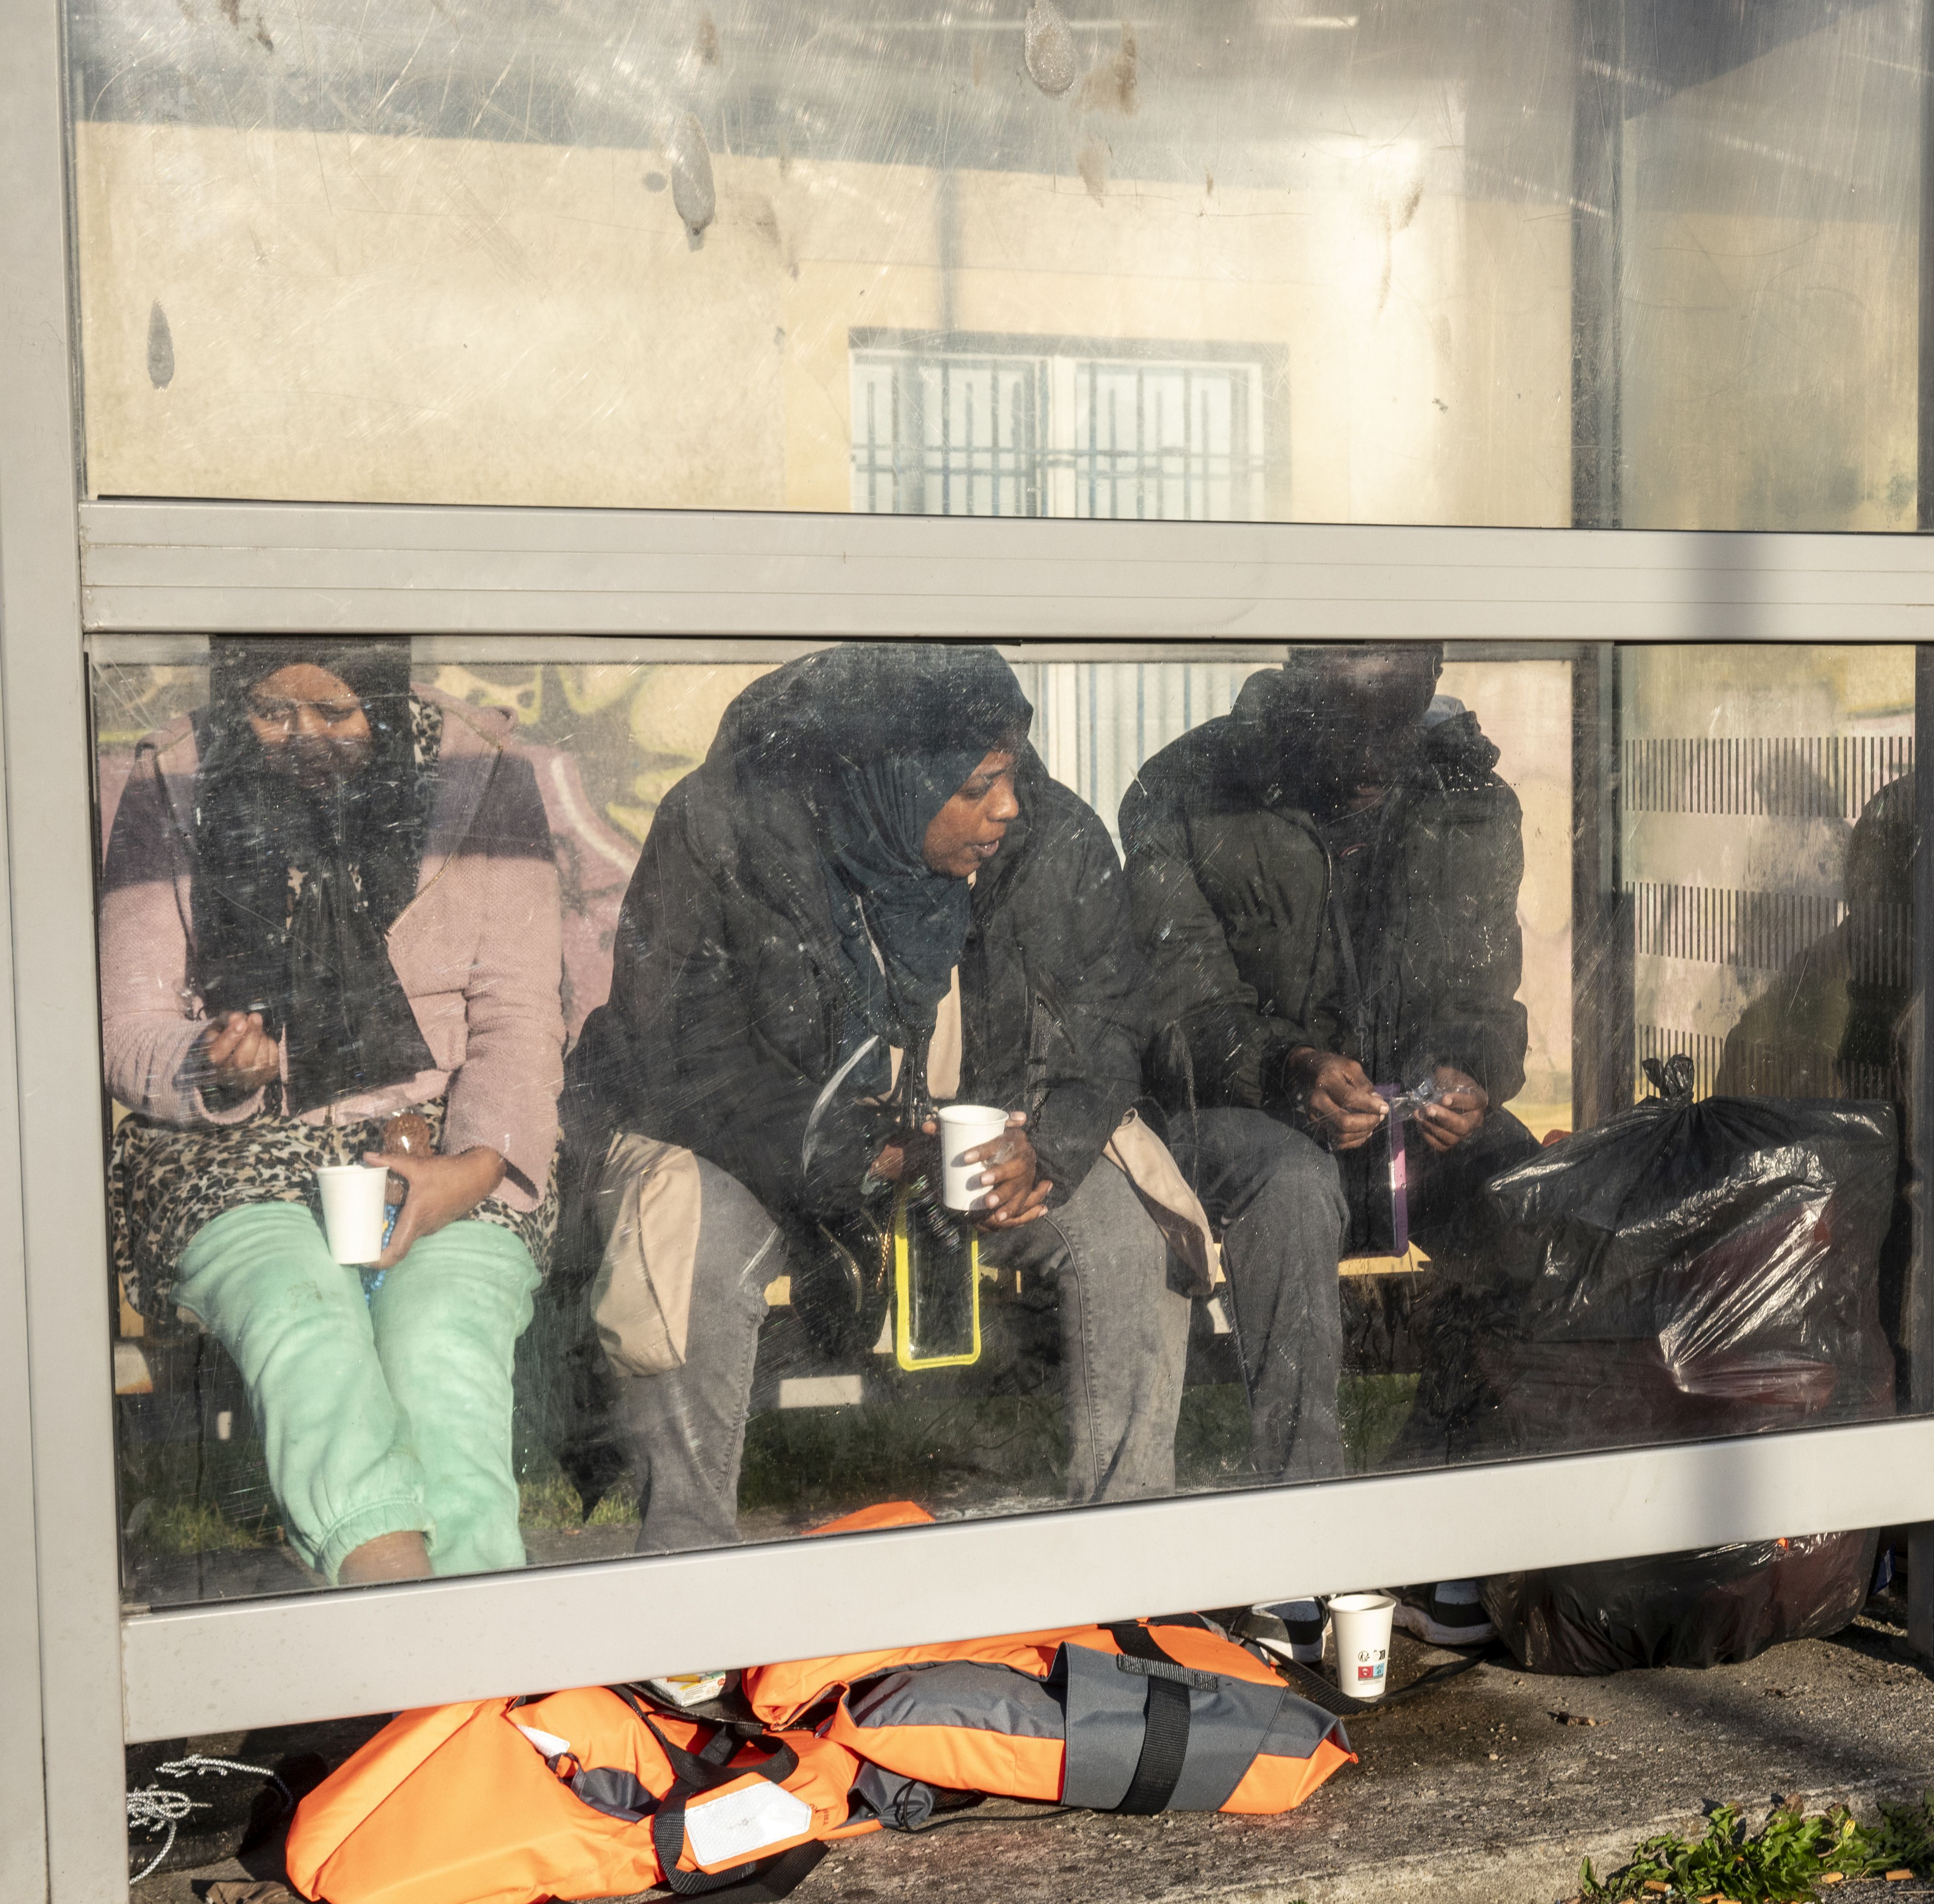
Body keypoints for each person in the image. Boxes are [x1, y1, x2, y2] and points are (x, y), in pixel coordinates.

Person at [566, 644, 1184, 1551]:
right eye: (977, 785)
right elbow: (686, 1064)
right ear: (896, 778)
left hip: (969, 1142)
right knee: (689, 1249)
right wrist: (871, 1154)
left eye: (1011, 775)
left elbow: (1109, 1021)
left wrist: (1047, 1148)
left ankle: (1132, 1556)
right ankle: (688, 1572)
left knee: (1127, 1235)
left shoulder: (1050, 836)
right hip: (759, 1150)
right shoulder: (722, 826)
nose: (1007, 807)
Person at [97, 639, 565, 1586]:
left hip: (443, 1141)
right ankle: (394, 1588)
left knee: (444, 1342)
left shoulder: (481, 775)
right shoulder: (173, 779)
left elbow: (519, 1014)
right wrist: (211, 1064)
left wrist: (472, 1169)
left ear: (383, 699)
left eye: (337, 712)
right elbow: (125, 1024)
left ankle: (466, 1620)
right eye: (272, 712)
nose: (304, 737)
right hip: (232, 1151)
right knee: (302, 1322)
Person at [1122, 642, 1537, 1645]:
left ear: (1430, 688)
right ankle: (1304, 1533)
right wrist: (1286, 1066)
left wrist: (1472, 1071)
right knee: (1292, 1184)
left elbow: (1484, 994)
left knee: (1526, 1192)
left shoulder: (1468, 800)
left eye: (1394, 724)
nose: (1370, 756)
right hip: (1235, 1108)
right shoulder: (1188, 789)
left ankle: (1434, 1504)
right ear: (1295, 690)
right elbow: (1173, 1012)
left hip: (1399, 1118)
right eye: (1347, 725)